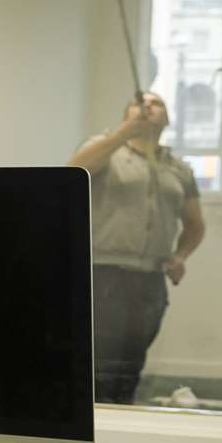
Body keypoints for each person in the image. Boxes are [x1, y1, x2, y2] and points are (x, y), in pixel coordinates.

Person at [69, 91, 207, 405]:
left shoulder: (178, 168)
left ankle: (121, 427)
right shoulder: (103, 147)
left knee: (131, 363)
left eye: (156, 103)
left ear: (167, 118)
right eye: (138, 102)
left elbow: (196, 224)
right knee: (99, 365)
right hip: (103, 273)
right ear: (126, 114)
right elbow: (70, 174)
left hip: (150, 280)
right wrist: (124, 134)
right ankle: (94, 427)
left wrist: (180, 256)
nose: (147, 106)